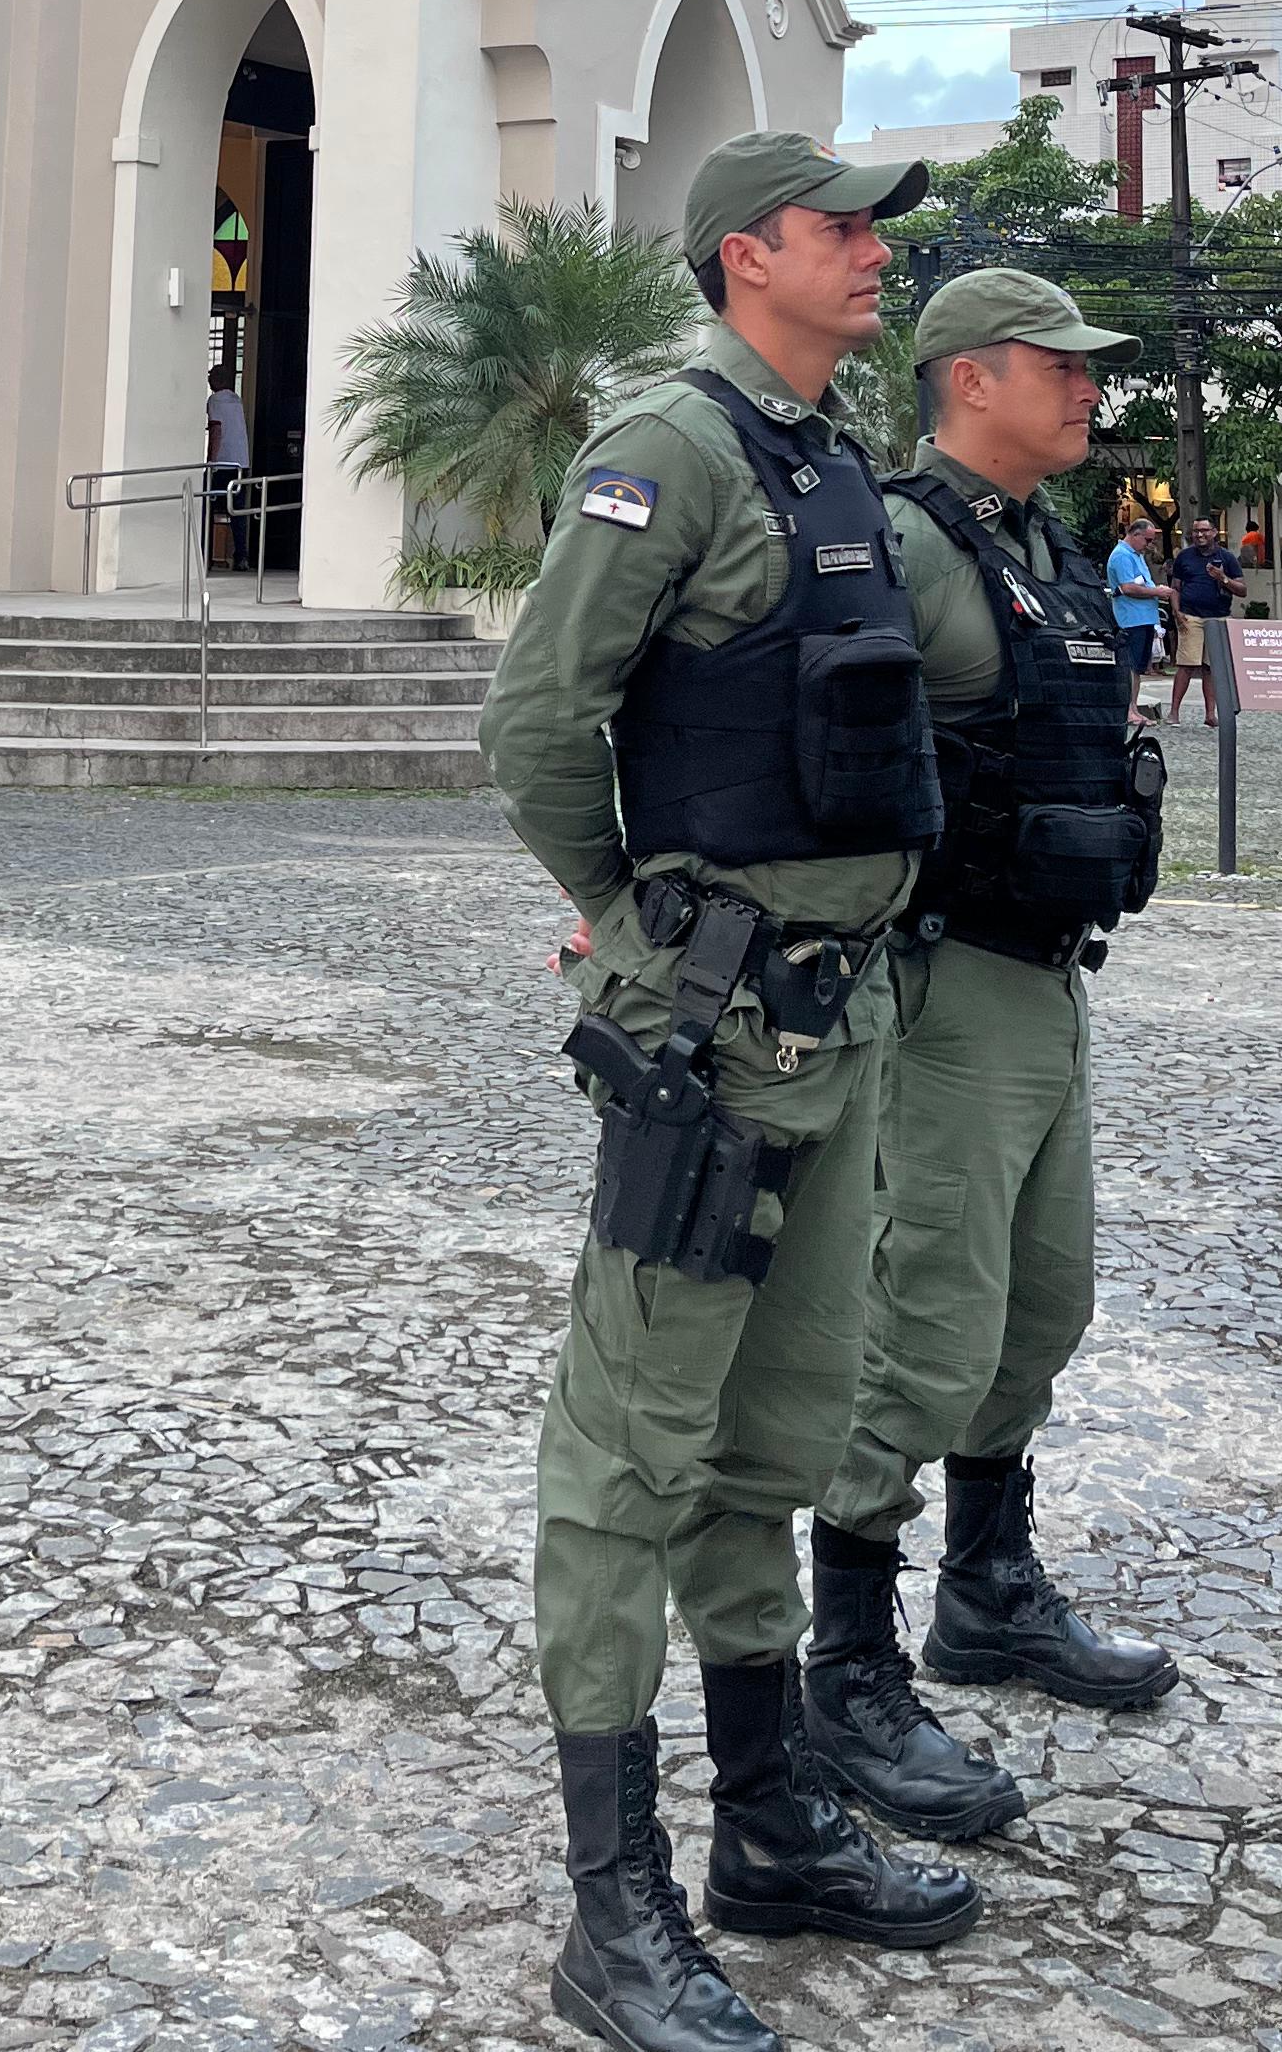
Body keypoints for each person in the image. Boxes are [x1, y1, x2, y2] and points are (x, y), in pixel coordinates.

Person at [481, 133, 979, 2052]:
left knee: (777, 1424)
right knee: (626, 1453)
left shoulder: (830, 456)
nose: (872, 255)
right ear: (738, 251)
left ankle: (766, 1816)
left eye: (873, 231)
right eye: (840, 228)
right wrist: (626, 921)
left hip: (837, 1028)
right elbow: (539, 717)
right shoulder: (668, 449)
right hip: (714, 1038)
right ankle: (613, 1911)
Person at [803, 272, 1177, 1846]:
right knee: (924, 1326)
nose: (1089, 390)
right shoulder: (899, 542)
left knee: (1044, 1301)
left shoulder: (1046, 548)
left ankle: (989, 1588)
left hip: (1047, 981)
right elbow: (813, 743)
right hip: (940, 986)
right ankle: (845, 1673)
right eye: (1059, 367)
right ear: (969, 379)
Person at [1166, 518, 1243, 723]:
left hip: (1218, 617)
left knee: (1212, 666)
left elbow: (1242, 589)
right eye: (1196, 531)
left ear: (1214, 532)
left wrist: (1222, 578)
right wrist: (1176, 611)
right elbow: (1176, 587)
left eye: (1204, 531)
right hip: (1191, 614)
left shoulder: (1227, 558)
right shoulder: (1184, 557)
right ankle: (1174, 712)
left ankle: (1210, 714)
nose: (1200, 535)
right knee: (1186, 665)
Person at [1102, 509, 1165, 689]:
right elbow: (1128, 587)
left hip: (1143, 617)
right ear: (1135, 534)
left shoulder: (1137, 555)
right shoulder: (1122, 555)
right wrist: (1157, 592)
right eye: (1147, 540)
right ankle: (1129, 709)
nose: (1149, 545)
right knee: (1130, 666)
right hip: (1131, 619)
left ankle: (1134, 708)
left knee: (1137, 668)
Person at [202, 373, 251, 563]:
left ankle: (205, 554)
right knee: (237, 511)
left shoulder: (215, 400)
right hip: (241, 462)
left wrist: (210, 461)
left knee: (207, 507)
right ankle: (241, 555)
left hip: (222, 462)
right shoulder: (236, 400)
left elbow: (216, 430)